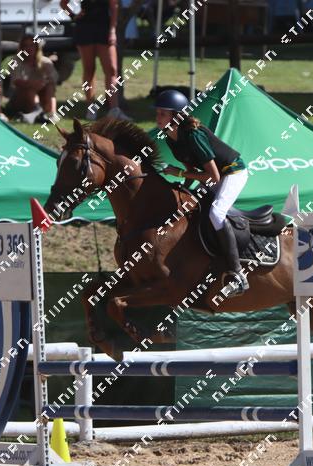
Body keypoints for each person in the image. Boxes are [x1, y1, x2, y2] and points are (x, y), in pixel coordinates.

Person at [154, 89, 249, 298]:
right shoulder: (171, 137)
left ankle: (238, 274)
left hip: (233, 172)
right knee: (190, 206)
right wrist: (185, 189)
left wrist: (179, 173)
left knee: (216, 212)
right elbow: (192, 168)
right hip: (215, 175)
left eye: (163, 113)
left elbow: (213, 176)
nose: (157, 117)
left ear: (176, 116)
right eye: (157, 112)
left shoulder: (193, 135)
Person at [61, 0, 132, 121]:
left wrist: (112, 30)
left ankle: (114, 110)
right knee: (89, 69)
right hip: (84, 28)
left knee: (112, 69)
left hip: (104, 28)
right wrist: (73, 16)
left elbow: (114, 7)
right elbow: (63, 4)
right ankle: (91, 107)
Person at [5, 35, 58, 123]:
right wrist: (33, 84)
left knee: (50, 87)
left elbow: (53, 80)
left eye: (31, 45)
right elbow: (16, 82)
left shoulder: (45, 62)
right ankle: (37, 113)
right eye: (25, 46)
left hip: (41, 94)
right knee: (30, 90)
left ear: (37, 47)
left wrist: (42, 83)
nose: (29, 48)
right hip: (19, 97)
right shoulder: (15, 61)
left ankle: (51, 113)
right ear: (21, 48)